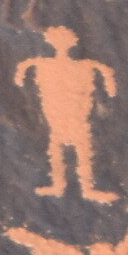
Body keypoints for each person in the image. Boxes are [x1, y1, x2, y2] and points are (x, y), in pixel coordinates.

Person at [15, 24, 114, 201]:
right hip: (67, 114)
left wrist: (20, 76)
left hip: (67, 114)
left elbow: (24, 69)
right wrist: (110, 86)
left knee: (66, 148)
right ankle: (80, 187)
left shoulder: (43, 65)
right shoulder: (84, 66)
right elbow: (104, 72)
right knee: (75, 148)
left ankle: (69, 186)